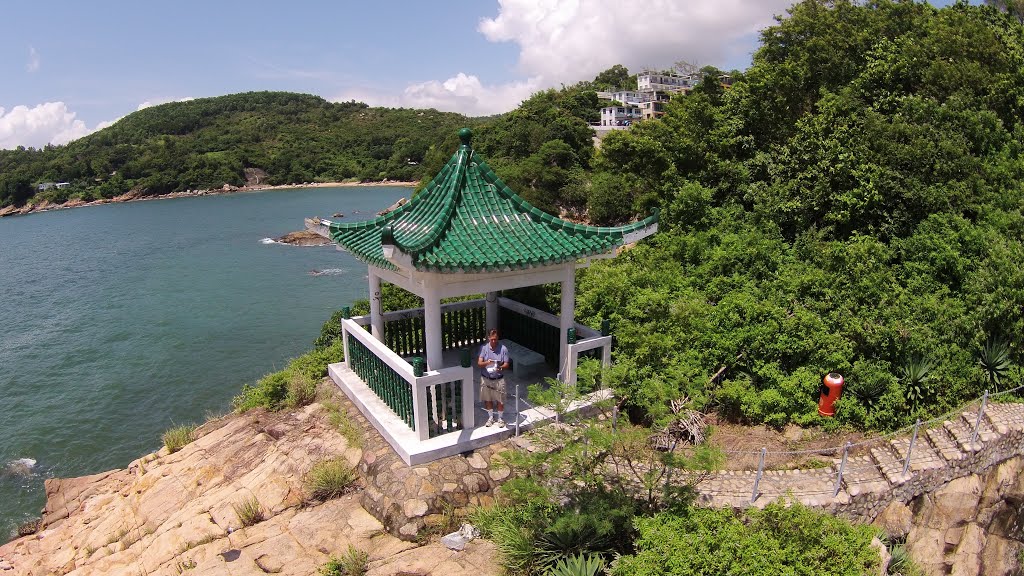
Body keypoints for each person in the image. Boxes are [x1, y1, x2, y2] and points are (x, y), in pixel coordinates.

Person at [478, 328, 510, 427]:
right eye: (491, 339)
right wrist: (487, 362)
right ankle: (490, 417)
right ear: (488, 338)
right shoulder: (484, 348)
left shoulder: (503, 349)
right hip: (486, 378)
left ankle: (500, 418)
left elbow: (506, 364)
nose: (493, 341)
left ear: (498, 338)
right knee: (488, 399)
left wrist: (500, 367)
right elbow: (479, 363)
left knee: (500, 399)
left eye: (495, 339)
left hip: (498, 378)